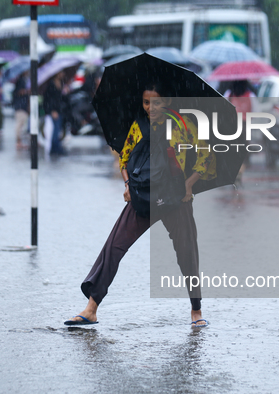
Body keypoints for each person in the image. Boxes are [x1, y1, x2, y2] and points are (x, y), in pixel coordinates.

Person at [64, 83, 216, 328]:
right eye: (146, 102)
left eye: (156, 102)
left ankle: (196, 311)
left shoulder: (182, 124)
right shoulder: (138, 125)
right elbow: (124, 159)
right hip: (143, 197)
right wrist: (126, 185)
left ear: (166, 102)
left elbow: (206, 155)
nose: (151, 108)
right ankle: (91, 309)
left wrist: (189, 186)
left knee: (187, 254)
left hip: (176, 199)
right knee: (114, 246)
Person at [42, 71, 66, 157]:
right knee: (55, 130)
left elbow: (61, 98)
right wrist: (52, 110)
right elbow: (48, 99)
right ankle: (55, 148)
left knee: (58, 129)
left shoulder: (62, 83)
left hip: (60, 109)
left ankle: (57, 147)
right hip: (54, 110)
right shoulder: (51, 84)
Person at [12, 70, 30, 150]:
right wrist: (26, 91)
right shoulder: (20, 81)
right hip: (20, 105)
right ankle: (18, 141)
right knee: (20, 123)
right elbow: (18, 92)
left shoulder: (24, 80)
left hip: (23, 105)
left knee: (22, 123)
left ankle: (19, 141)